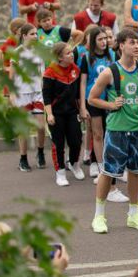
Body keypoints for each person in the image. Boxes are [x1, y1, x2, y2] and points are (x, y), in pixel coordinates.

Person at [86, 28, 138, 234]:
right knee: (108, 173)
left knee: (136, 172)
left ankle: (133, 214)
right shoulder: (110, 72)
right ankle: (99, 215)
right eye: (132, 42)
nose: (136, 46)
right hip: (117, 131)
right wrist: (111, 105)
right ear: (121, 45)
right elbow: (92, 98)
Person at [43, 42, 84, 187]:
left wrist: (81, 109)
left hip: (72, 112)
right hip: (56, 113)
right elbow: (46, 96)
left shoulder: (75, 70)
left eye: (71, 52)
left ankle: (74, 163)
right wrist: (49, 114)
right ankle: (60, 172)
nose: (72, 54)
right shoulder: (50, 72)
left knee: (76, 140)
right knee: (58, 144)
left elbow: (78, 93)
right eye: (68, 53)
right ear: (59, 57)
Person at [78, 26, 115, 182]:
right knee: (97, 134)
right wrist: (82, 106)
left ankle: (113, 165)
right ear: (93, 41)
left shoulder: (112, 55)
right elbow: (83, 82)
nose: (104, 42)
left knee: (111, 134)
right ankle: (102, 168)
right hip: (93, 100)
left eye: (105, 38)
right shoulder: (86, 58)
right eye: (100, 39)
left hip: (110, 99)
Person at [9, 23, 47, 171]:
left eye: (36, 34)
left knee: (41, 126)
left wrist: (45, 90)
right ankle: (23, 159)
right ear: (24, 36)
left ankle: (40, 152)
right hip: (22, 94)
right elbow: (11, 76)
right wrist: (11, 95)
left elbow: (42, 74)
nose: (35, 36)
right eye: (32, 34)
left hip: (37, 93)